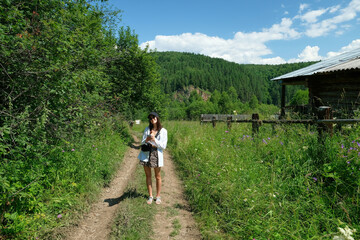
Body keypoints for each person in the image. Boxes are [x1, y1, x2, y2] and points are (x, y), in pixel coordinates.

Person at [138, 112, 168, 205]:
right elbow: (142, 142)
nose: (152, 119)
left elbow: (163, 146)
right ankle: (150, 196)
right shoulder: (147, 129)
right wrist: (146, 139)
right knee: (148, 176)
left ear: (157, 118)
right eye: (150, 118)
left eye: (153, 117)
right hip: (146, 153)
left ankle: (158, 196)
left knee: (158, 176)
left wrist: (154, 140)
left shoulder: (163, 131)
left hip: (156, 154)